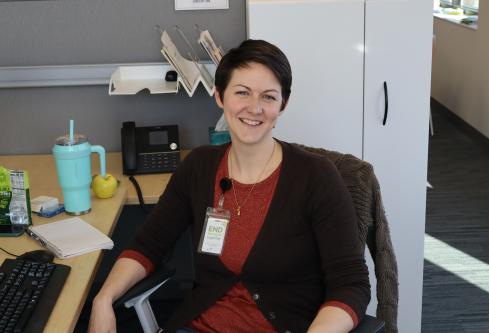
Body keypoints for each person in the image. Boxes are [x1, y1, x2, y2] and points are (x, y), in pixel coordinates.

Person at [89, 39, 370, 333]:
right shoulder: (199, 166)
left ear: (283, 105)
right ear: (219, 96)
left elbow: (351, 284)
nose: (255, 108)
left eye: (269, 97)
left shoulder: (316, 176)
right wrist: (103, 299)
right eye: (242, 93)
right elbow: (148, 245)